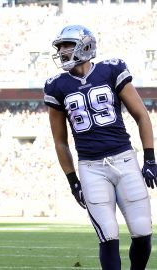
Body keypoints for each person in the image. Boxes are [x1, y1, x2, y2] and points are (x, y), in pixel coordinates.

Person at [43, 24, 157, 270]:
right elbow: (60, 141)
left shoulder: (110, 70)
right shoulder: (56, 86)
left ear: (85, 46)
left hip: (124, 160)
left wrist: (149, 158)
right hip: (91, 168)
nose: (62, 51)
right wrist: (73, 180)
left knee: (142, 232)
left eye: (67, 45)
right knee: (108, 235)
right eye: (60, 46)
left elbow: (141, 115)